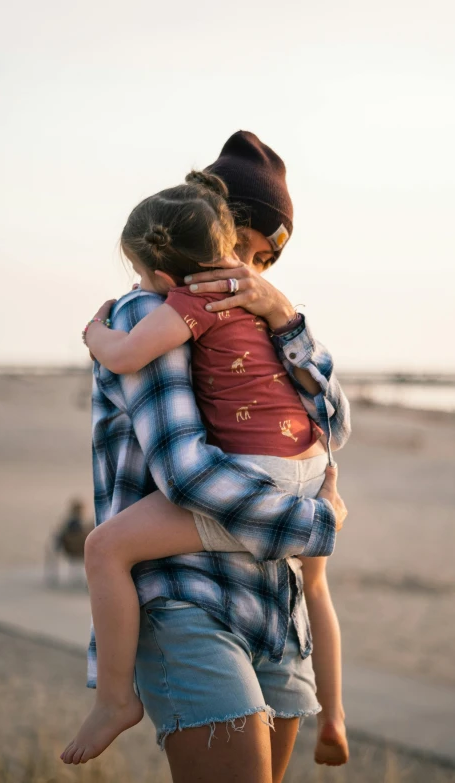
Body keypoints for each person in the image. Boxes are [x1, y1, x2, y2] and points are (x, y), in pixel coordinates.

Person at [65, 133, 351, 782]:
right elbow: (186, 471)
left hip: (272, 604)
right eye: (241, 250)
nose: (248, 274)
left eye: (264, 263)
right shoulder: (155, 309)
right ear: (210, 230)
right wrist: (313, 522)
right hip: (193, 595)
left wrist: (286, 317)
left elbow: (335, 422)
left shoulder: (265, 315)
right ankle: (115, 698)